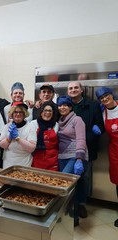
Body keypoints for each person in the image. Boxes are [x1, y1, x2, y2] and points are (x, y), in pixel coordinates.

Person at [67, 81, 104, 219]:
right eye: (70, 88)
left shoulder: (93, 105)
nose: (73, 90)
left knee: (84, 178)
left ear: (82, 90)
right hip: (68, 150)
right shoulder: (65, 106)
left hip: (87, 148)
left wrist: (98, 129)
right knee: (69, 178)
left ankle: (81, 204)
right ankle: (70, 204)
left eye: (76, 87)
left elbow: (100, 124)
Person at [57, 95, 88, 227]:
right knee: (70, 190)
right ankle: (67, 217)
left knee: (65, 186)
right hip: (62, 157)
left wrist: (79, 159)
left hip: (76, 156)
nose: (62, 107)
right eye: (60, 105)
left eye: (65, 105)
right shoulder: (59, 121)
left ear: (70, 107)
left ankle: (73, 219)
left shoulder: (77, 119)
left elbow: (81, 139)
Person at [95, 86, 118, 227]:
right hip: (115, 151)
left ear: (112, 95)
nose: (104, 99)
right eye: (101, 98)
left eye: (106, 95)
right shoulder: (104, 113)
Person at [0, 102, 36, 168]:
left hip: (24, 162)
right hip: (8, 161)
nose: (18, 114)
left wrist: (18, 138)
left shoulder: (30, 127)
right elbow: (2, 145)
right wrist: (9, 138)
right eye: (15, 112)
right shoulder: (7, 126)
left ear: (24, 114)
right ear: (12, 114)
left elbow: (31, 148)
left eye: (21, 112)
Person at [30, 101, 59, 171]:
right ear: (41, 112)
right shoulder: (33, 124)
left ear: (53, 113)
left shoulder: (56, 125)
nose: (48, 113)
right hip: (37, 159)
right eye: (45, 110)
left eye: (50, 111)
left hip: (53, 160)